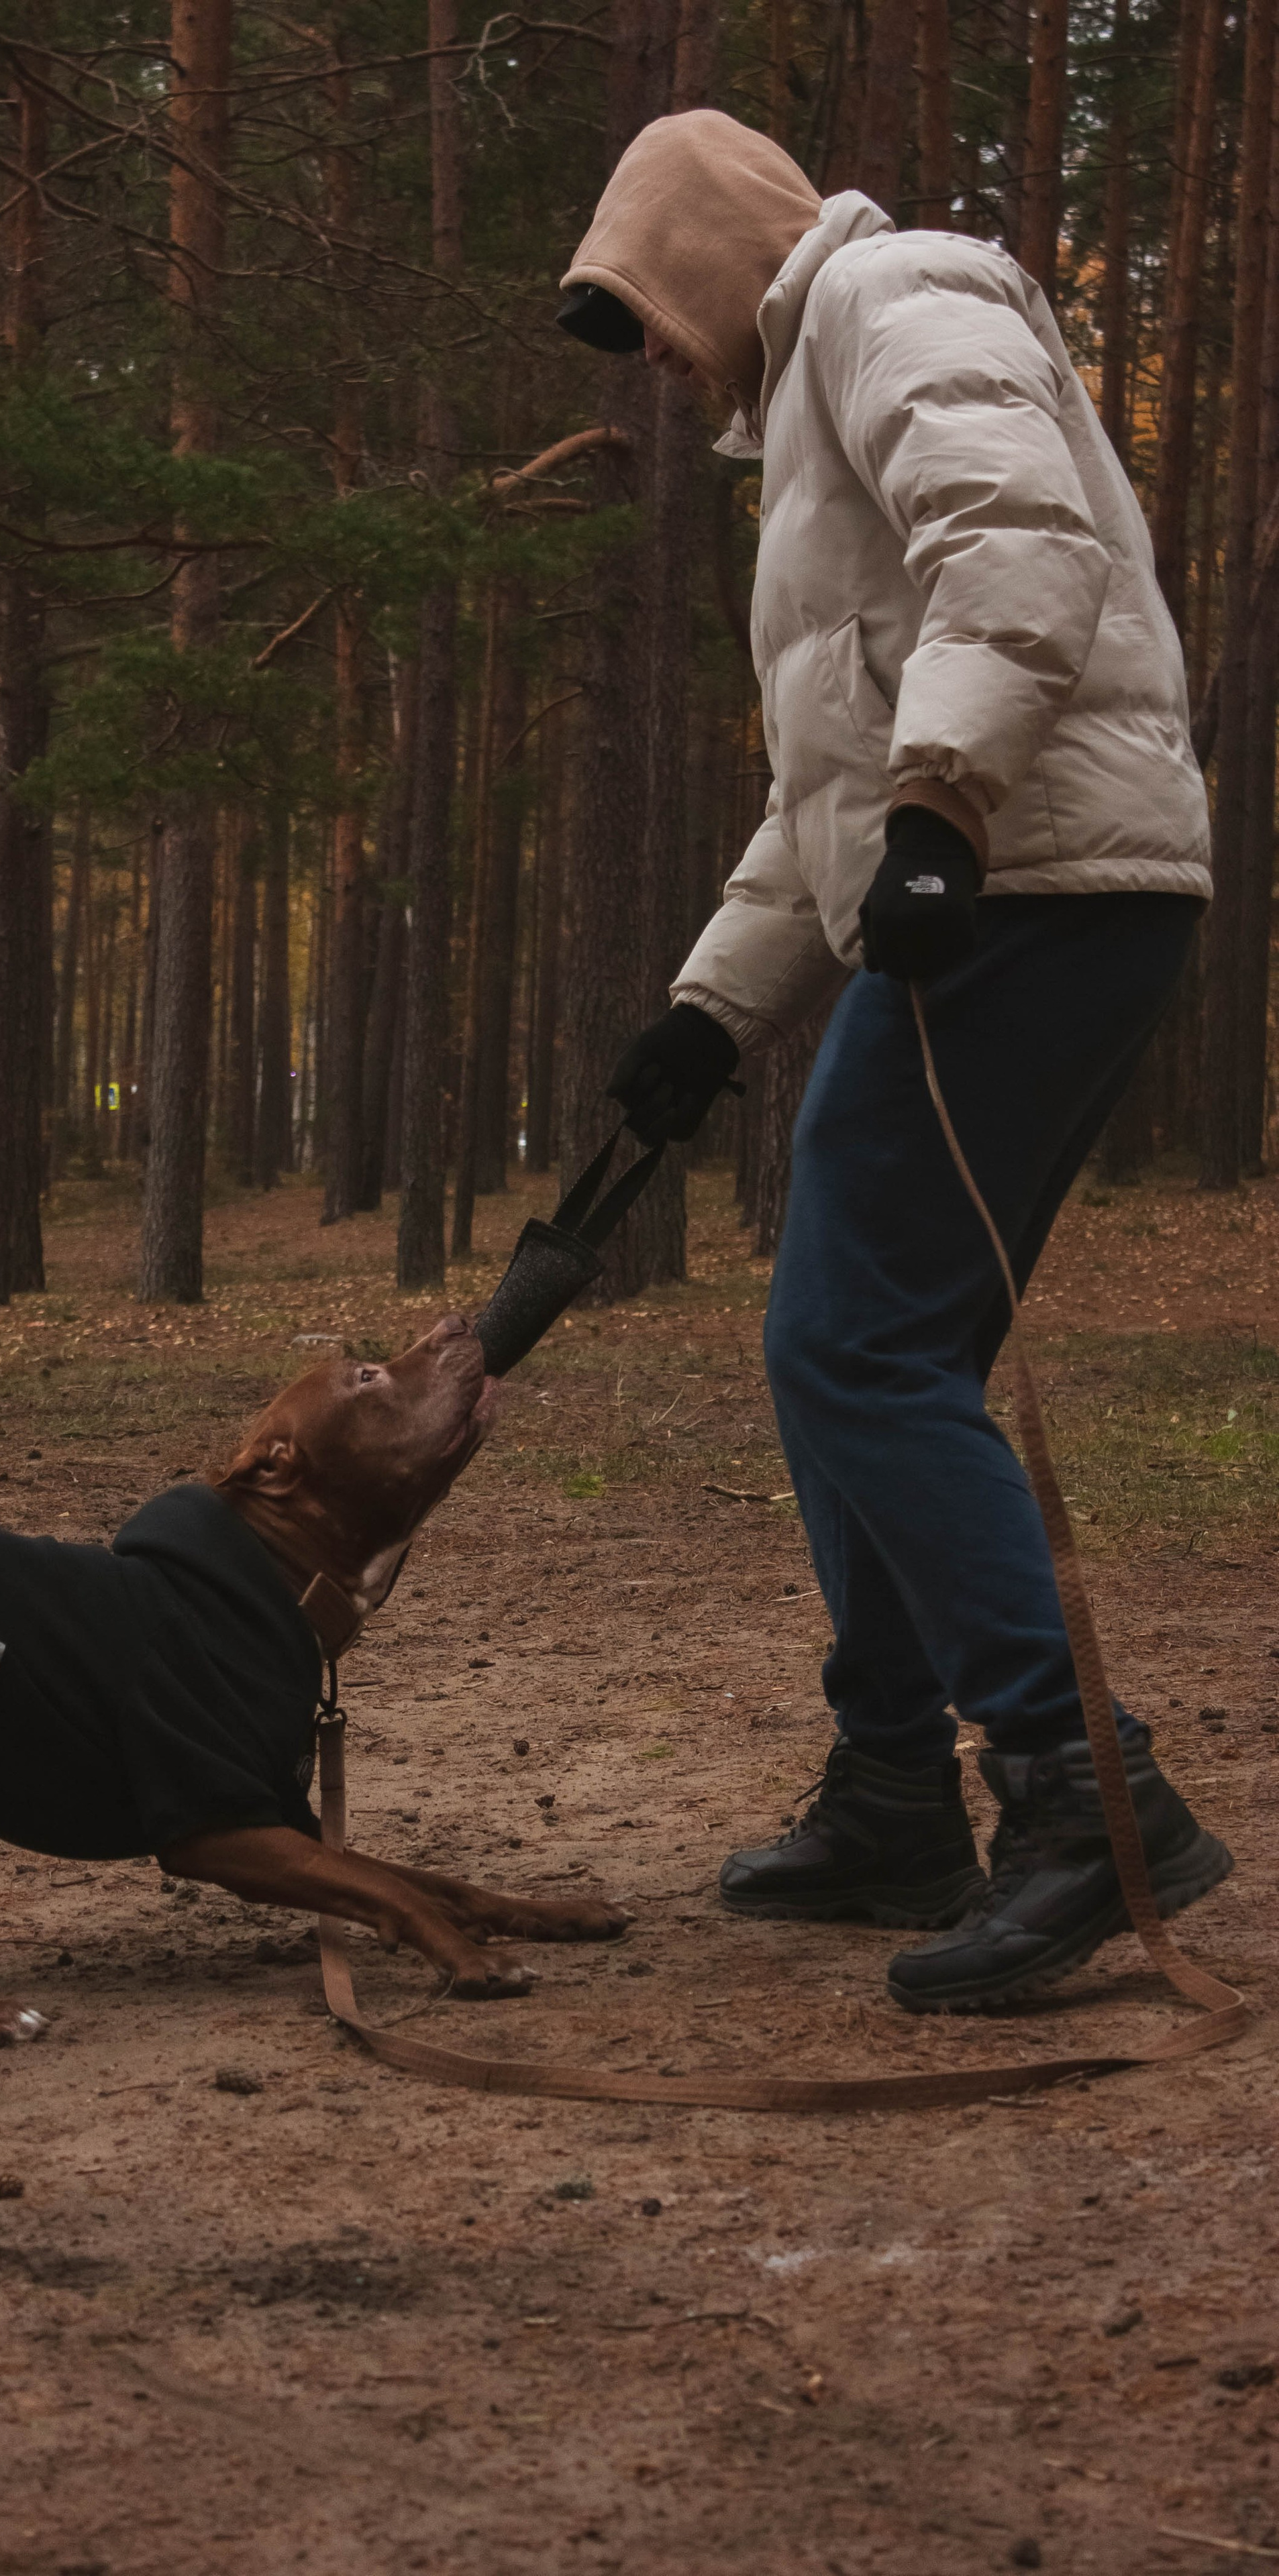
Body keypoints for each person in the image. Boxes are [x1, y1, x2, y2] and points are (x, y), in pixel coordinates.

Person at [555, 110, 1231, 2013]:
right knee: (850, 1339)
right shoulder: (809, 411)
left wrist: (947, 803)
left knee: (858, 1340)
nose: (658, 366)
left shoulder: (885, 288)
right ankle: (893, 1793)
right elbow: (827, 788)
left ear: (710, 254)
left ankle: (1084, 1798)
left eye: (648, 315)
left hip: (1042, 879)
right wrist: (712, 1007)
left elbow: (1015, 535)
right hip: (1004, 873)